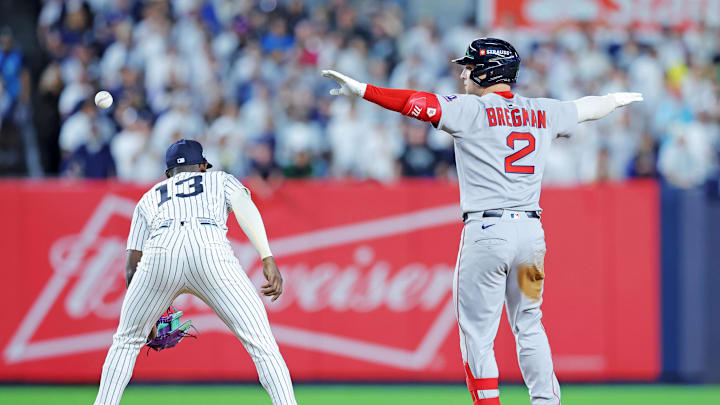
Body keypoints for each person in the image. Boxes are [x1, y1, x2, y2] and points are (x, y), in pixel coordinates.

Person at [322, 37, 642, 405]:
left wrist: (363, 90)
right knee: (529, 324)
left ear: (488, 71)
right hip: (531, 237)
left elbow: (415, 104)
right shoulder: (542, 110)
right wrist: (617, 99)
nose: (462, 74)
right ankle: (547, 401)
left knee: (477, 334)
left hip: (487, 233)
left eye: (469, 66)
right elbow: (588, 108)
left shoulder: (471, 111)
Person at [94, 139, 296, 405]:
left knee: (126, 341)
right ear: (203, 166)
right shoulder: (219, 179)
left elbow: (133, 264)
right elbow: (244, 207)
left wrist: (146, 313)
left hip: (160, 252)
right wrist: (267, 256)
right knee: (263, 346)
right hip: (210, 250)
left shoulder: (149, 196)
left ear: (168, 173)